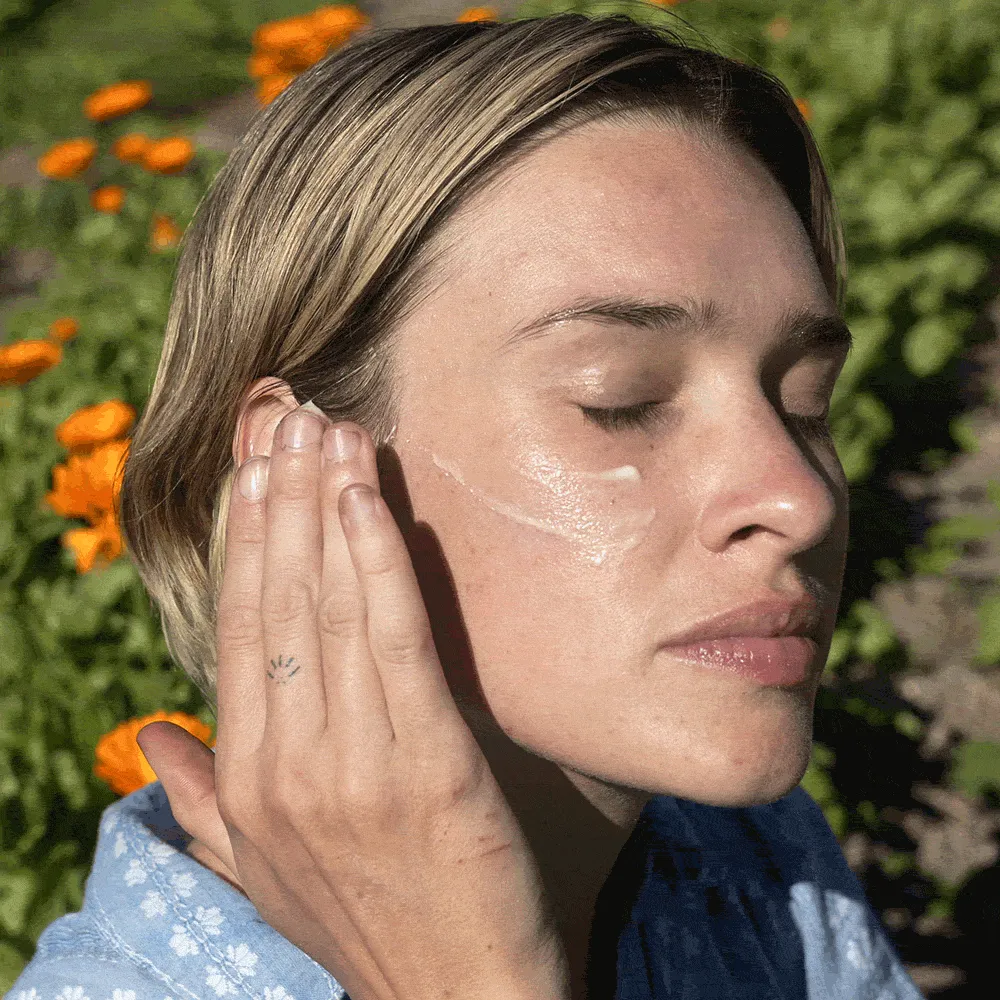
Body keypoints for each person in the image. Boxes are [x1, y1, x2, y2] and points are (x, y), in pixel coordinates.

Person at [8, 6, 924, 999]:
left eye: (805, 402)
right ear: (298, 456)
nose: (798, 497)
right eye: (618, 401)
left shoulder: (748, 867)